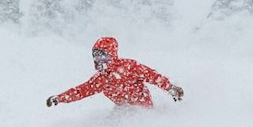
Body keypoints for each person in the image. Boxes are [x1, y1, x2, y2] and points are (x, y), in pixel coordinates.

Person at [45, 36, 183, 109]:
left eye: (102, 56)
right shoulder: (100, 79)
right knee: (109, 126)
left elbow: (153, 76)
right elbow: (81, 91)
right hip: (124, 111)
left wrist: (170, 87)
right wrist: (60, 98)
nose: (99, 61)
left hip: (143, 111)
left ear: (111, 55)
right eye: (96, 57)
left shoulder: (129, 67)